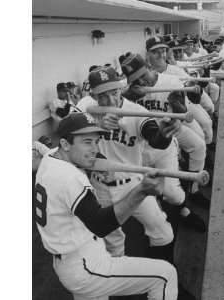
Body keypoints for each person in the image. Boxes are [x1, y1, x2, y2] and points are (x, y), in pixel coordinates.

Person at [34, 112, 178, 300]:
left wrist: (98, 162)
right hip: (86, 266)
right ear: (65, 144)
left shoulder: (50, 158)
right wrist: (141, 190)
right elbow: (100, 225)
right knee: (165, 275)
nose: (94, 149)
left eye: (96, 142)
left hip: (67, 259)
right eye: (87, 142)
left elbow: (51, 151)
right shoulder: (69, 178)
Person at [87, 66, 184, 261]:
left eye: (114, 92)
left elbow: (154, 138)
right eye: (103, 96)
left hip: (132, 184)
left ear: (120, 89)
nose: (111, 100)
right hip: (99, 188)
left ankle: (163, 276)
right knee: (113, 244)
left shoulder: (135, 111)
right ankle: (122, 281)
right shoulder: (87, 110)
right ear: (94, 96)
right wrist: (95, 128)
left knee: (163, 232)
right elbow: (69, 138)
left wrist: (164, 133)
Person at [121, 53, 210, 210]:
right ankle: (168, 200)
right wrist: (129, 95)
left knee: (199, 146)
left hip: (170, 129)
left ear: (149, 66)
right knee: (159, 186)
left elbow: (182, 115)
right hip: (144, 138)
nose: (140, 82)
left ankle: (193, 189)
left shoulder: (170, 81)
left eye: (142, 75)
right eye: (134, 80)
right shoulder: (129, 90)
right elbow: (116, 102)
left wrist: (177, 105)